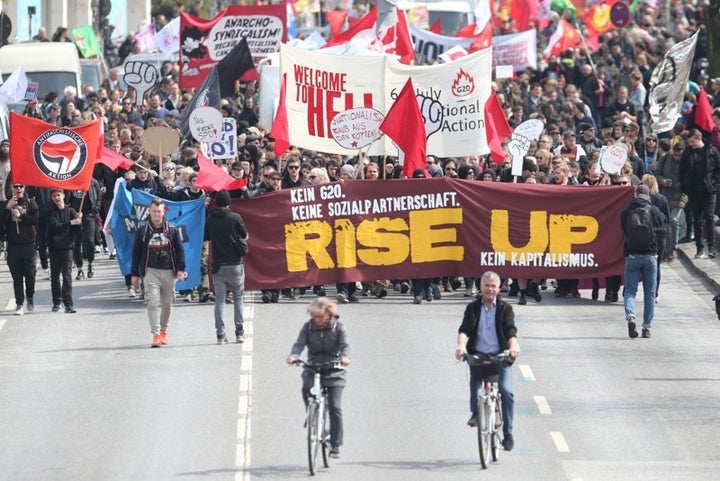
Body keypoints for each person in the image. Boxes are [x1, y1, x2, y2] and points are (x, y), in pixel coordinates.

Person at [455, 270, 520, 451]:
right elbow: (465, 330)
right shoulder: (473, 308)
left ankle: (507, 434)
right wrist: (461, 347)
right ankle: (476, 414)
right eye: (487, 285)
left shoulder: (505, 308)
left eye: (493, 286)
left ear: (498, 289)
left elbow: (510, 331)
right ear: (481, 287)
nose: (490, 289)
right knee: (475, 382)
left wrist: (513, 347)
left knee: (506, 392)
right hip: (479, 354)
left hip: (500, 356)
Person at [286, 297, 351, 459]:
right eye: (314, 316)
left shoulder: (339, 327)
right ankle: (313, 414)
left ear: (329, 314)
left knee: (335, 407)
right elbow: (299, 344)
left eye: (320, 316)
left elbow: (345, 346)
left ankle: (335, 445)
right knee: (306, 388)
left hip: (334, 370)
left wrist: (345, 357)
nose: (316, 319)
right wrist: (294, 355)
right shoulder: (308, 327)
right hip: (313, 368)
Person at [131, 198, 186, 348]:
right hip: (150, 271)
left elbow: (180, 251)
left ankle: (163, 330)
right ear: (149, 211)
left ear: (164, 212)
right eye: (154, 211)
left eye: (159, 211)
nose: (156, 214)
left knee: (167, 305)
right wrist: (134, 274)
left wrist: (181, 270)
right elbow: (136, 253)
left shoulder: (172, 229)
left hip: (169, 271)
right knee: (152, 303)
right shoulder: (142, 231)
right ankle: (155, 334)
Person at [620, 184, 666, 339]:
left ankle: (631, 315)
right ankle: (646, 327)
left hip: (632, 255)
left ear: (635, 194)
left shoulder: (626, 212)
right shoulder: (652, 210)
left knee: (630, 291)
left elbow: (624, 230)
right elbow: (662, 222)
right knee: (650, 293)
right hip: (650, 256)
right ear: (648, 195)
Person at [204, 190, 249, 344]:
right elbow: (244, 235)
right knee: (238, 298)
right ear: (229, 202)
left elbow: (207, 238)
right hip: (235, 264)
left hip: (218, 265)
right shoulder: (235, 217)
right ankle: (239, 331)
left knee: (220, 301)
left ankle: (220, 334)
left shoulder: (210, 219)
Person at [679, 129, 720, 259]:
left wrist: (716, 185)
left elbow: (718, 169)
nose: (691, 145)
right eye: (689, 142)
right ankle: (699, 248)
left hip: (709, 190)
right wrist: (685, 186)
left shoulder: (712, 151)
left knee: (709, 217)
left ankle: (711, 248)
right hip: (694, 190)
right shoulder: (687, 153)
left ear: (699, 138)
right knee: (697, 219)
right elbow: (682, 171)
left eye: (693, 142)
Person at [1, 184, 39, 315]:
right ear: (11, 188)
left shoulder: (31, 203)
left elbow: (35, 220)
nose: (18, 189)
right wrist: (7, 207)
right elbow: (1, 222)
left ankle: (30, 296)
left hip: (28, 245)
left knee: (30, 276)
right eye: (15, 187)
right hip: (13, 246)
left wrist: (20, 216)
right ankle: (19, 304)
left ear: (24, 188)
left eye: (21, 187)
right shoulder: (6, 204)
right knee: (17, 278)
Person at [46, 189, 82, 313]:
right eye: (54, 196)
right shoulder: (50, 212)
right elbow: (55, 227)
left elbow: (77, 231)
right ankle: (56, 302)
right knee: (55, 277)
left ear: (63, 196)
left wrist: (78, 220)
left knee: (67, 277)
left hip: (67, 249)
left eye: (58, 195)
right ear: (51, 197)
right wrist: (71, 222)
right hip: (54, 249)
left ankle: (68, 304)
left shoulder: (71, 211)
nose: (57, 198)